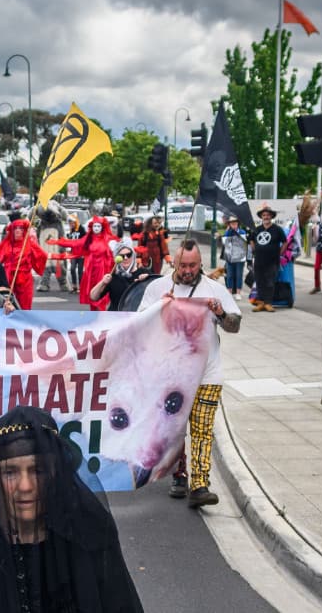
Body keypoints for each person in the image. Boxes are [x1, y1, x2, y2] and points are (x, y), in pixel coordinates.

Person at [0, 406, 144, 612]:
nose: (25, 486)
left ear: (55, 472)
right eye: (10, 472)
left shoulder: (89, 538)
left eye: (38, 470)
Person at [137, 239, 240, 508]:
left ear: (200, 264)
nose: (187, 270)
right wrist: (158, 307)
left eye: (193, 266)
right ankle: (179, 474)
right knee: (176, 429)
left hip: (207, 373)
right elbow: (139, 324)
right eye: (183, 265)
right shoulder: (157, 287)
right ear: (174, 262)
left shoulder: (214, 289)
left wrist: (220, 312)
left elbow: (234, 325)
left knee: (203, 429)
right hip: (172, 375)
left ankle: (200, 484)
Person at [48, 215, 116, 311]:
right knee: (92, 293)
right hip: (91, 269)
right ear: (91, 227)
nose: (96, 228)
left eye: (98, 226)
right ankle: (93, 313)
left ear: (102, 227)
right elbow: (74, 243)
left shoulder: (108, 239)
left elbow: (118, 249)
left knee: (102, 291)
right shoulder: (89, 238)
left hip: (103, 269)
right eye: (94, 226)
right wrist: (57, 242)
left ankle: (101, 314)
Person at [0, 218, 48, 310]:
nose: (18, 230)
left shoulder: (29, 243)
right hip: (9, 279)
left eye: (20, 228)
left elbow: (42, 255)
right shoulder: (6, 243)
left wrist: (32, 264)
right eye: (15, 228)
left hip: (24, 280)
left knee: (24, 306)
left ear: (24, 231)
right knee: (7, 305)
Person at [89, 239, 151, 311]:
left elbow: (159, 292)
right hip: (116, 317)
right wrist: (102, 283)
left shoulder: (144, 273)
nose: (125, 258)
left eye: (128, 255)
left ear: (133, 255)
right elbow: (93, 297)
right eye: (122, 256)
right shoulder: (112, 277)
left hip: (137, 317)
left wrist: (148, 280)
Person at [248, 204, 288, 312]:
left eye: (268, 215)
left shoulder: (277, 229)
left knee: (270, 282)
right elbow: (251, 239)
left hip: (272, 261)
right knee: (260, 281)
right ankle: (261, 303)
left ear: (271, 217)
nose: (266, 217)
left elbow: (285, 242)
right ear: (261, 217)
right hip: (259, 260)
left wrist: (280, 253)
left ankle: (268, 303)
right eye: (264, 215)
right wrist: (254, 249)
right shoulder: (257, 229)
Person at [219, 215, 247, 300]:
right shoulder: (228, 232)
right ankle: (229, 292)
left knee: (239, 275)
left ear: (238, 223)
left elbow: (244, 243)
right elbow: (224, 243)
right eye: (232, 223)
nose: (233, 225)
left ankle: (238, 293)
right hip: (230, 257)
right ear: (229, 224)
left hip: (239, 257)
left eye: (235, 223)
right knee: (230, 275)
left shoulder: (242, 232)